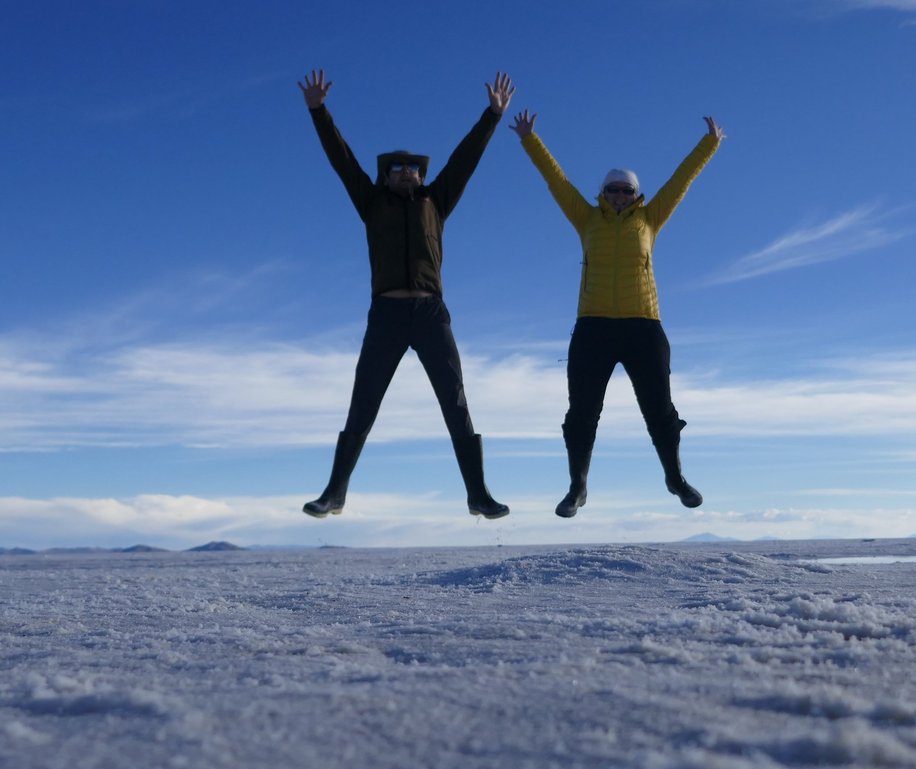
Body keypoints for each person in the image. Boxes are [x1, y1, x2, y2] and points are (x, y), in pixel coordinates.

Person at [298, 68, 512, 520]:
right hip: (387, 314)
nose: (408, 173)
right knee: (364, 401)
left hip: (432, 313)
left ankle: (478, 494)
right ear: (386, 175)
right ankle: (334, 494)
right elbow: (341, 159)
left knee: (455, 401)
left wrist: (491, 117)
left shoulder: (436, 202)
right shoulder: (371, 202)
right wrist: (319, 111)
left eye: (414, 168)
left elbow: (464, 160)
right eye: (398, 168)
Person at [510, 107, 724, 517]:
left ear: (637, 194)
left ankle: (675, 478)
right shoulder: (587, 219)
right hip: (593, 328)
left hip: (644, 326)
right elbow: (557, 181)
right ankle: (577, 487)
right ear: (603, 193)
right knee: (581, 413)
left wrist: (709, 143)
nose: (620, 196)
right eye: (613, 190)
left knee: (660, 411)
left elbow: (682, 181)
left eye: (626, 190)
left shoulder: (650, 219)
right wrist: (529, 139)